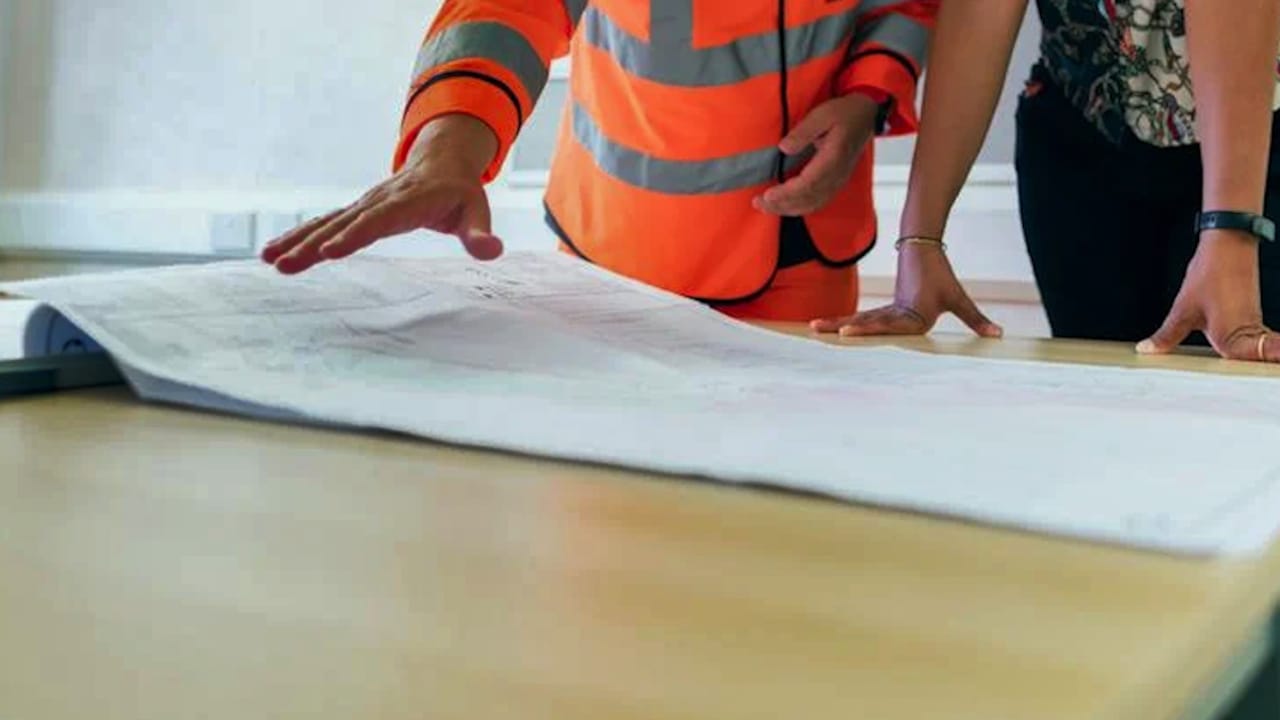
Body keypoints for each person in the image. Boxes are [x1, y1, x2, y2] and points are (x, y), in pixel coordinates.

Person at [261, 1, 938, 322]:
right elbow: (506, 8)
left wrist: (868, 97)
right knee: (608, 529)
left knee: (787, 525)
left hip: (805, 249)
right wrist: (447, 151)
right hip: (624, 256)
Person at [815, 0, 1280, 363]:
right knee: (1108, 420)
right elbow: (980, 10)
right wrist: (920, 240)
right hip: (1081, 132)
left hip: (1256, 147)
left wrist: (1232, 230)